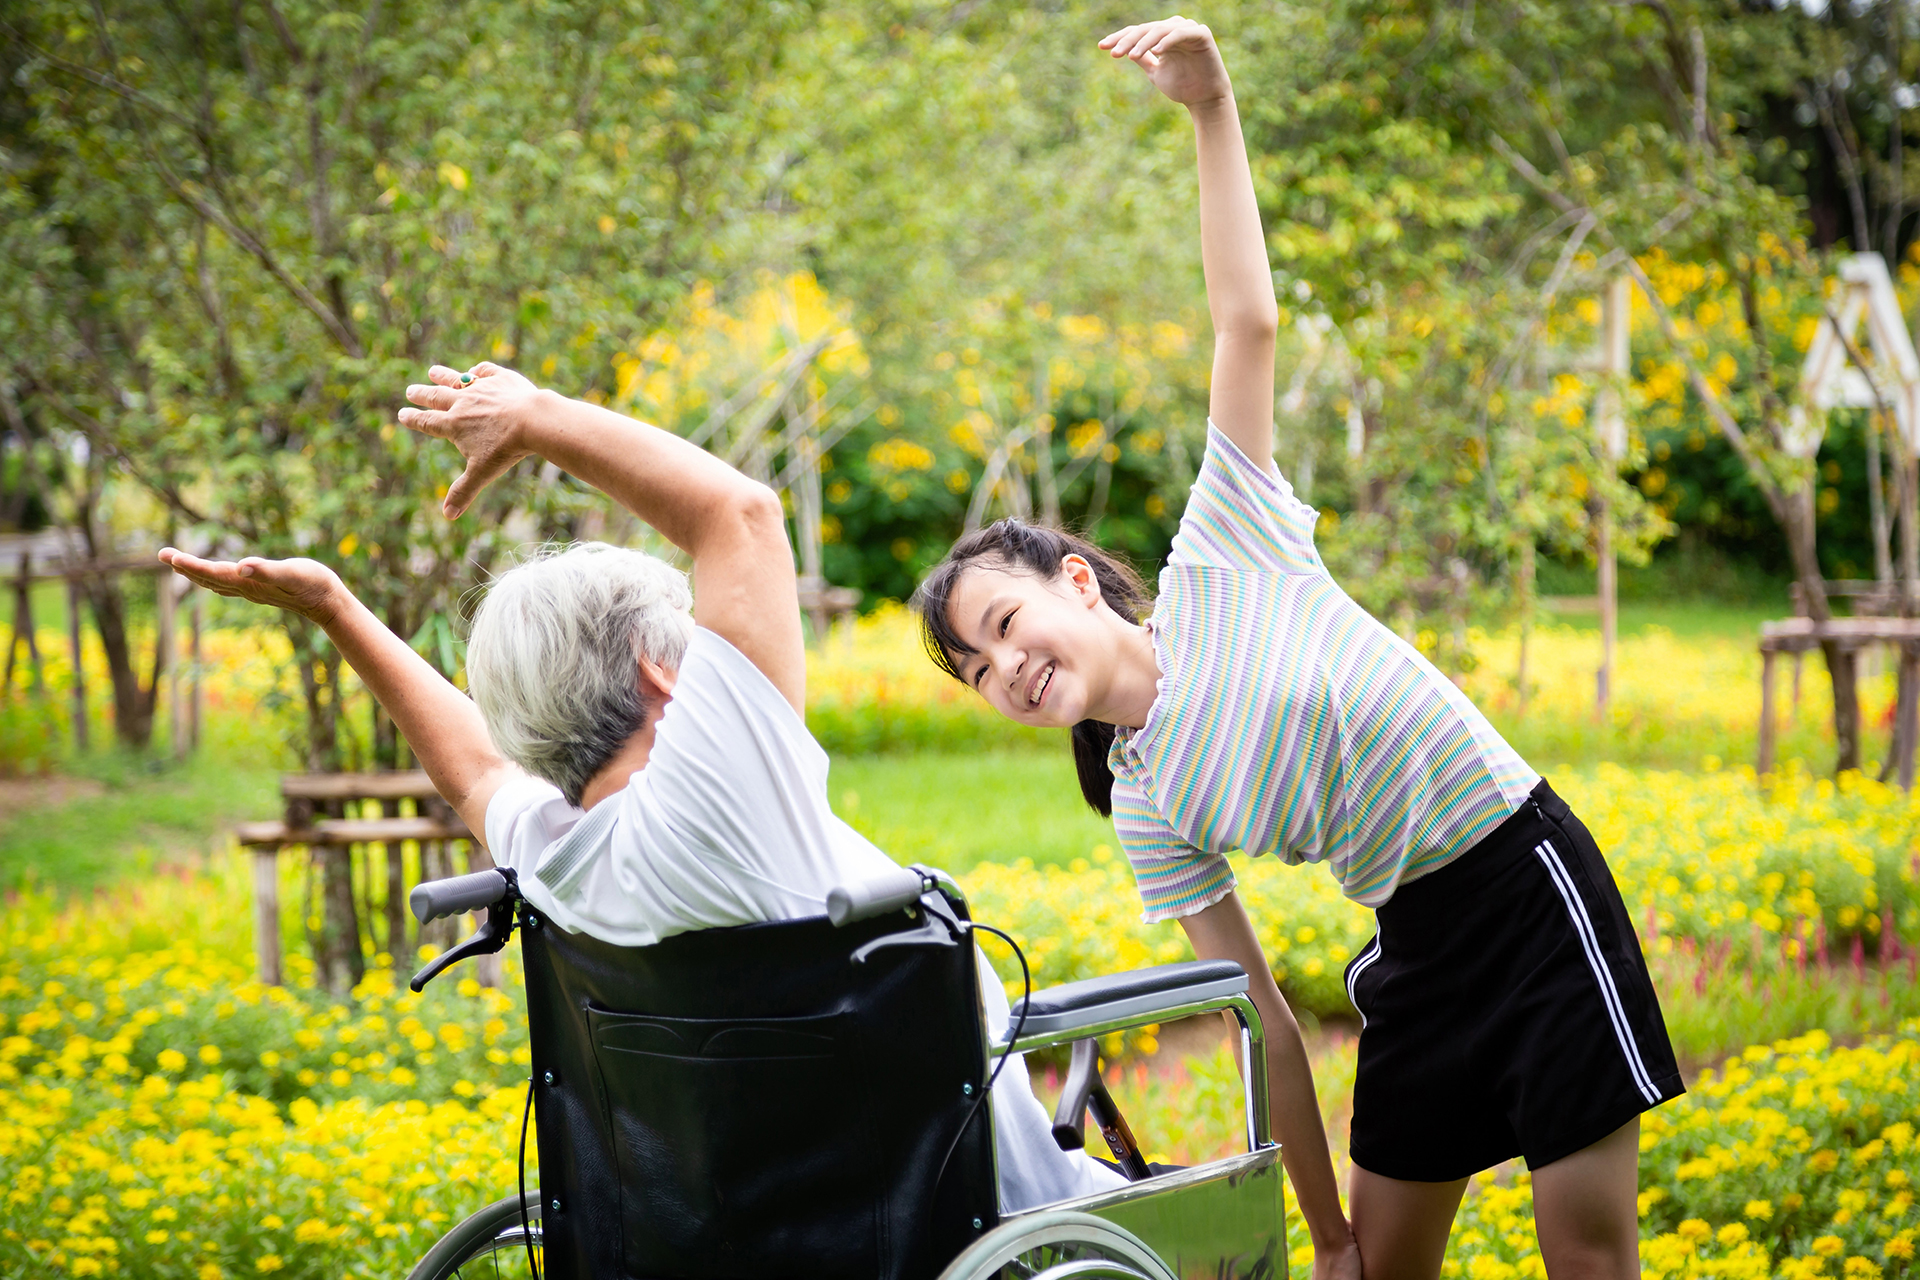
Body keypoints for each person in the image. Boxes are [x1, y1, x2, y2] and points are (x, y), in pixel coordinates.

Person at [912, 16, 1683, 1280]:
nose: (1008, 669)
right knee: (1375, 1274)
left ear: (1071, 579)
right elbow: (1263, 1018)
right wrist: (1324, 1232)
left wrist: (1213, 111)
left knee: (1586, 1256)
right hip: (1417, 939)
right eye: (983, 673)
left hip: (1527, 883)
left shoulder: (1224, 553)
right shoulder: (1146, 801)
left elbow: (1246, 324)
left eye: (1004, 625)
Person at [159, 360, 1124, 1212]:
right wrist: (531, 419)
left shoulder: (559, 863)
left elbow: (477, 770)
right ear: (665, 673)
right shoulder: (721, 806)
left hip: (754, 1234)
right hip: (989, 1224)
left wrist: (335, 607)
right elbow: (738, 515)